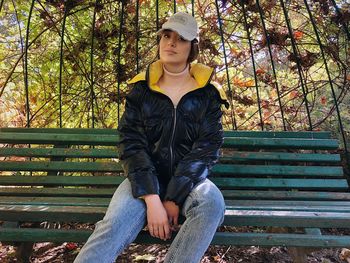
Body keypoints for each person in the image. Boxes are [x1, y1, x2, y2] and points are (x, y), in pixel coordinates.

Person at [74, 12, 229, 263]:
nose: (171, 43)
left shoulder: (208, 93)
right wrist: (153, 198)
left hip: (190, 183)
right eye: (166, 36)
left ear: (192, 47)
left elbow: (207, 148)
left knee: (212, 203)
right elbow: (131, 143)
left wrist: (174, 197)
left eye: (181, 39)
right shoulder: (141, 90)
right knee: (113, 224)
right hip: (144, 179)